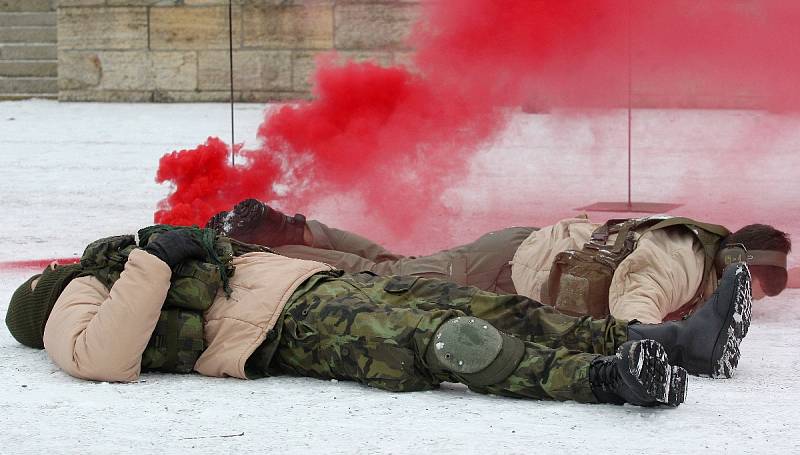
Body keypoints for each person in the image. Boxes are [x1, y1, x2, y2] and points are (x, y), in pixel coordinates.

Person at [6, 227, 754, 408]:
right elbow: (104, 357)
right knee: (450, 343)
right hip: (286, 330)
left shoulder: (119, 261)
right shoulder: (75, 295)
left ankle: (665, 340)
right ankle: (607, 378)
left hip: (319, 287)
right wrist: (154, 260)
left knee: (490, 305)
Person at [206, 199, 790, 324]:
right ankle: (256, 244)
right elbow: (634, 298)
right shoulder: (680, 259)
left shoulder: (706, 255)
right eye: (745, 291)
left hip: (519, 254)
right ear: (734, 262)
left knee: (405, 265)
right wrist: (654, 337)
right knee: (387, 278)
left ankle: (290, 229)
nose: (737, 302)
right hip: (508, 263)